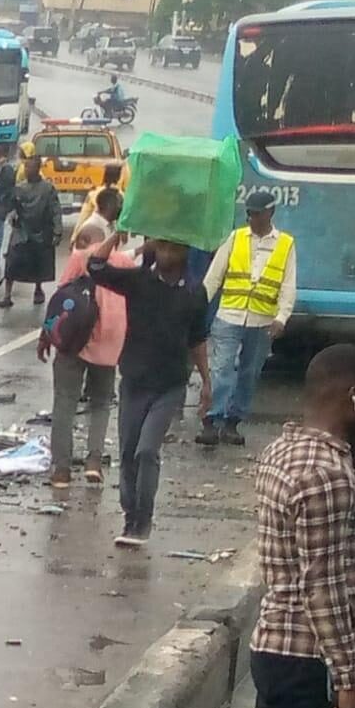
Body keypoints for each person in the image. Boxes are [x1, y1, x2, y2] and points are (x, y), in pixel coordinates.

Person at [235, 343, 355, 708]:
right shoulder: (326, 476)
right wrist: (350, 683)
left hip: (273, 648)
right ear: (353, 395)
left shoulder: (284, 451)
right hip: (308, 661)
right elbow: (325, 589)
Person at [86, 232, 210, 546]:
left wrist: (207, 383)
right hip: (134, 381)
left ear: (185, 253)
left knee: (147, 451)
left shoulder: (195, 293)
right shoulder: (138, 282)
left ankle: (143, 521)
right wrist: (118, 234)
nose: (169, 253)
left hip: (169, 386)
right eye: (164, 246)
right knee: (127, 451)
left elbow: (197, 340)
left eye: (176, 247)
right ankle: (130, 516)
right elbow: (96, 266)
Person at [40, 215, 133, 488]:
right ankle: (94, 462)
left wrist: (45, 336)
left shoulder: (81, 257)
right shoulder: (125, 263)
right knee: (101, 403)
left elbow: (60, 303)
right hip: (111, 343)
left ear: (86, 241)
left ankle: (61, 470)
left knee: (65, 402)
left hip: (77, 341)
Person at [199, 191, 297, 446]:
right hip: (229, 315)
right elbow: (214, 276)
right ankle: (213, 418)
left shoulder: (285, 244)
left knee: (250, 373)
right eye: (250, 213)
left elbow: (288, 285)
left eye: (257, 213)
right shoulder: (235, 238)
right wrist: (198, 306)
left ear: (270, 213)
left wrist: (282, 318)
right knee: (221, 368)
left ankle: (233, 421)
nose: (252, 218)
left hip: (262, 320)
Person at [0, 156, 62, 308]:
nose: (28, 170)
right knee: (12, 262)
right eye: (26, 167)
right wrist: (12, 212)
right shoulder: (19, 188)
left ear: (38, 168)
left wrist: (57, 231)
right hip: (21, 230)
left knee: (38, 263)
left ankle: (38, 290)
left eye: (31, 167)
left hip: (40, 230)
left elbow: (55, 210)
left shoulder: (47, 188)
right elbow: (10, 206)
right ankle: (7, 295)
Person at [76, 163, 124, 230]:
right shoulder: (121, 195)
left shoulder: (93, 193)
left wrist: (75, 235)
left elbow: (84, 216)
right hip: (111, 231)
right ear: (119, 177)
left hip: (94, 228)